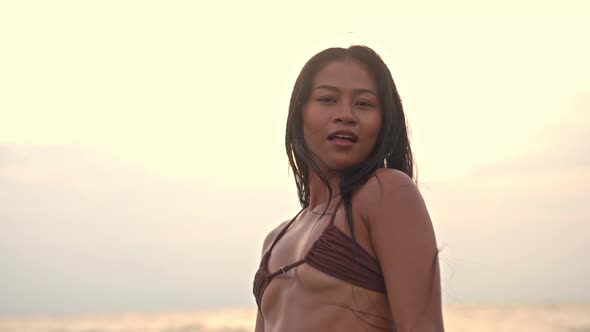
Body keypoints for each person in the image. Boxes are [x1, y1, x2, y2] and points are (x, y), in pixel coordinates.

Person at [253, 45, 444, 331]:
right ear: (299, 113)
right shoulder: (275, 240)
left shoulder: (386, 193)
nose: (346, 115)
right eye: (327, 99)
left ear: (384, 121)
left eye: (364, 103)